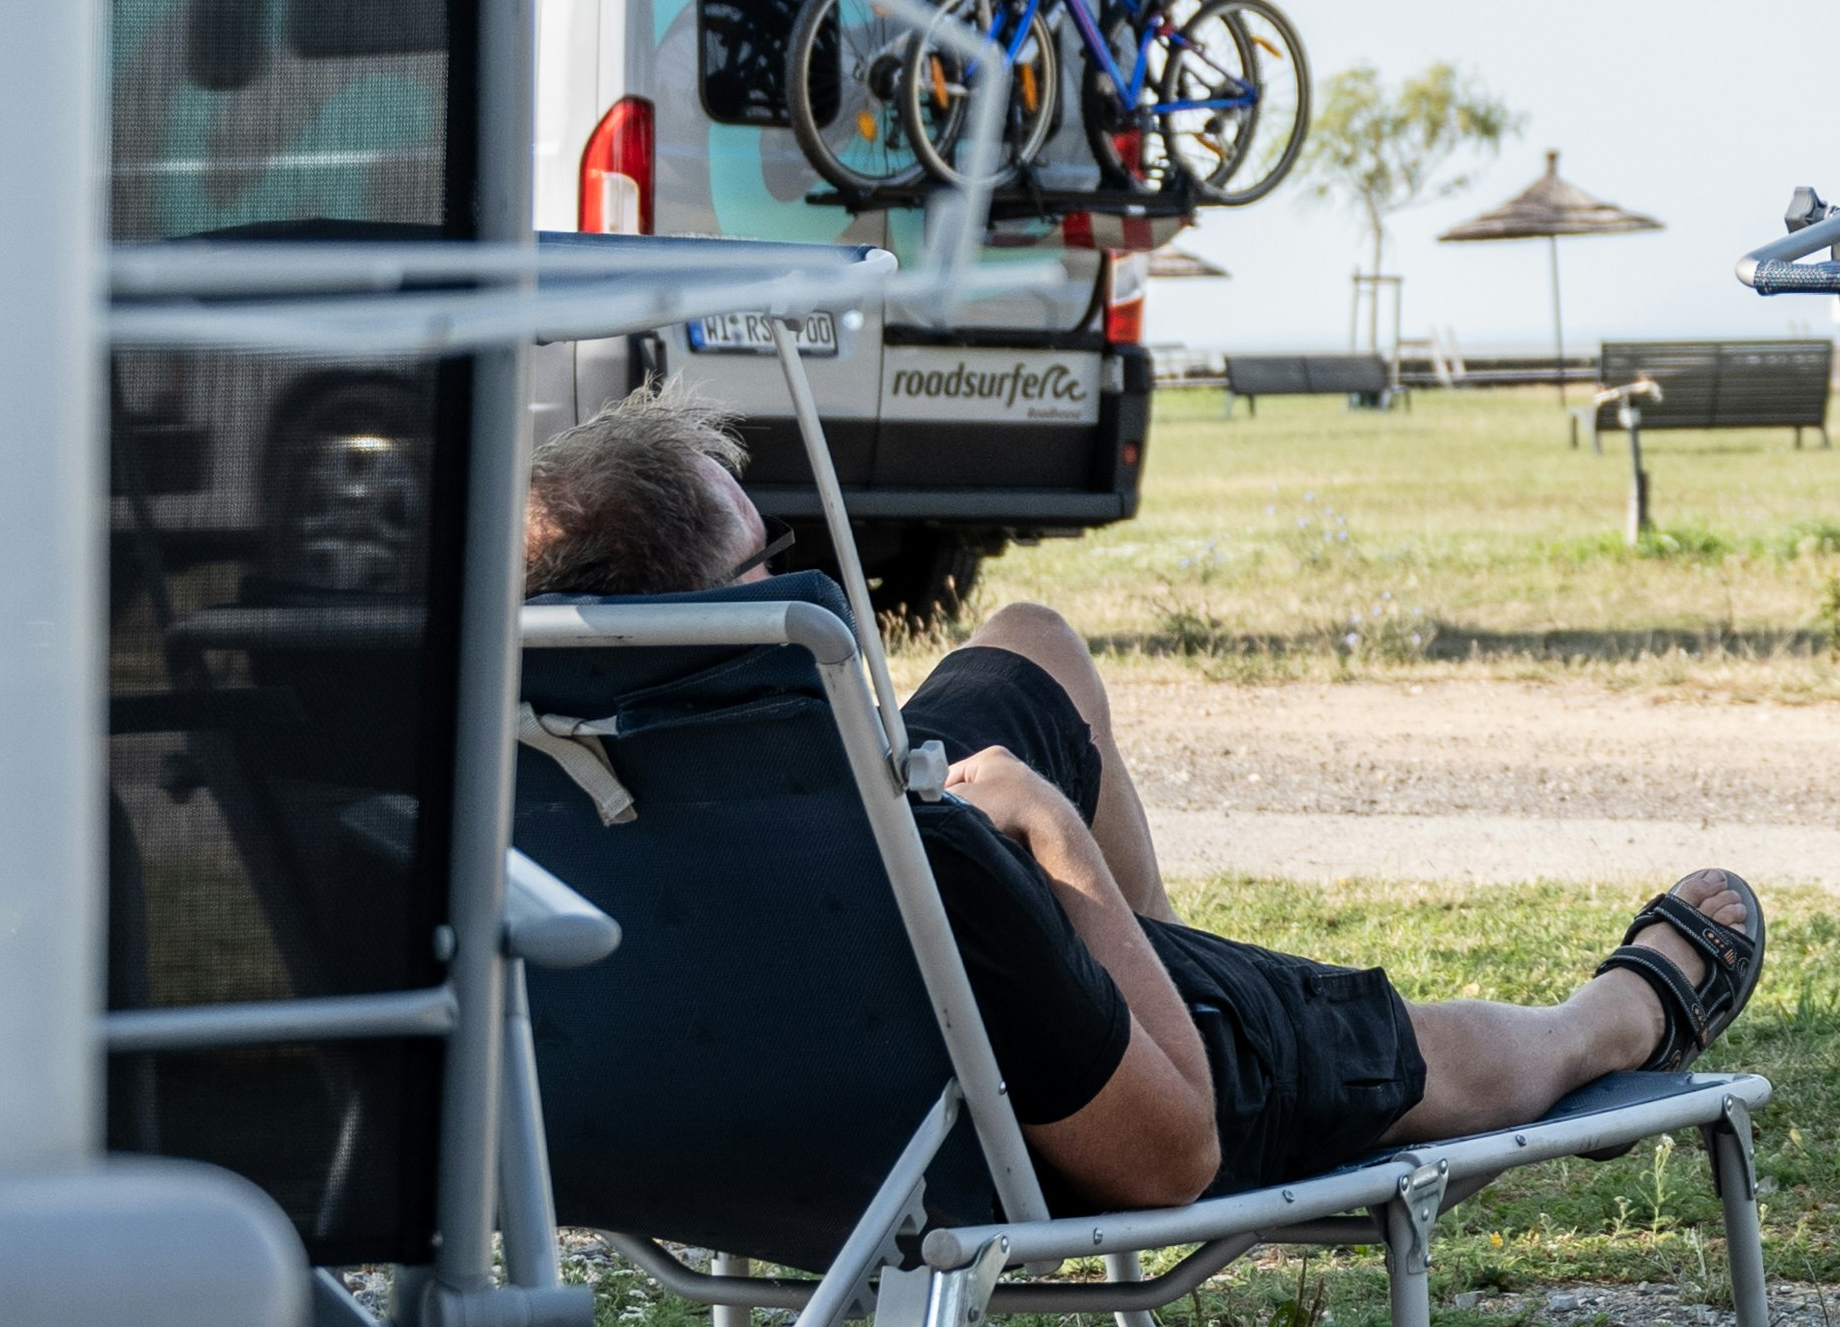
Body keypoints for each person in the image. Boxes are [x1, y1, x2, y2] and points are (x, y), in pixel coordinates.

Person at [514, 395, 1755, 1213]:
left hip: (743, 997)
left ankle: (1152, 950)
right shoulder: (944, 862)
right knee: (1414, 1045)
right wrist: (1055, 843)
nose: (796, 574)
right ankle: (1617, 1018)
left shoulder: (501, 819)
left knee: (1024, 644)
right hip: (1043, 1054)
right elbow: (1176, 1162)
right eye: (768, 566)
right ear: (729, 618)